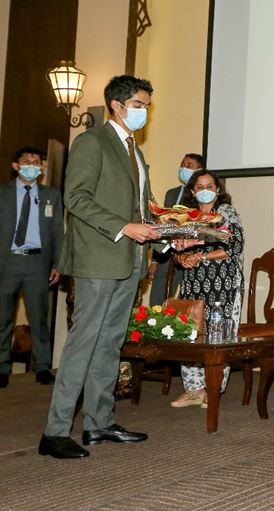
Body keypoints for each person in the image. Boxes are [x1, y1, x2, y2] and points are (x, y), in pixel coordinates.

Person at [40, 75, 158, 459]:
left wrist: (171, 236)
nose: (144, 112)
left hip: (130, 261)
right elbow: (76, 197)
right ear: (117, 105)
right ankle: (55, 431)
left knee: (110, 343)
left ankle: (99, 423)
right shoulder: (92, 142)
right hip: (98, 258)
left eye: (147, 106)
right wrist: (124, 227)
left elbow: (145, 208)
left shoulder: (135, 151)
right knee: (84, 342)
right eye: (139, 105)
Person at [168, 170, 245, 408]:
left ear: (218, 190)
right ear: (192, 192)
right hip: (193, 284)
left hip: (223, 285)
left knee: (217, 337)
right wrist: (181, 258)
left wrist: (201, 256)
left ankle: (212, 389)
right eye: (199, 187)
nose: (205, 191)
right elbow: (175, 248)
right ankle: (193, 390)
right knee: (190, 333)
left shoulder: (226, 212)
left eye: (209, 186)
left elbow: (234, 246)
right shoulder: (186, 217)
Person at [0, 147, 63, 387]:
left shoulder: (51, 195)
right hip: (7, 261)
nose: (32, 165)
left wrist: (57, 263)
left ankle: (42, 366)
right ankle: (2, 367)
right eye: (27, 161)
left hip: (37, 263)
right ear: (16, 166)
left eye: (37, 162)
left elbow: (57, 231)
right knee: (3, 317)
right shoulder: (3, 192)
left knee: (39, 318)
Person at [147, 153, 205, 307]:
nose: (184, 168)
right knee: (157, 302)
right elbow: (163, 226)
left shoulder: (201, 195)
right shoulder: (171, 193)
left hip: (190, 253)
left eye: (189, 165)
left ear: (199, 170)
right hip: (167, 253)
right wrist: (154, 261)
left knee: (188, 303)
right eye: (182, 164)